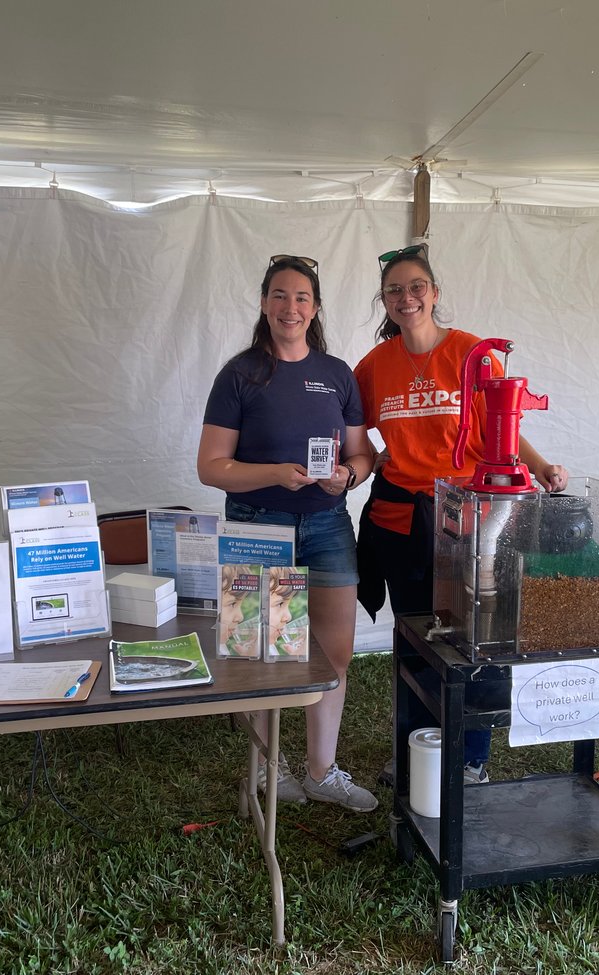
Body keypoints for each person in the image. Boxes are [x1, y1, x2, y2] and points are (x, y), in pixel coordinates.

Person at [353, 244, 569, 784]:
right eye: (395, 290)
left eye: (416, 287)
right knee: (416, 637)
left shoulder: (474, 354)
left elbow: (503, 425)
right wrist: (368, 459)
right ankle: (414, 753)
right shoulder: (373, 367)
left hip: (468, 519)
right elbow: (352, 431)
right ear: (384, 300)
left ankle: (469, 760)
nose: (406, 298)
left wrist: (539, 465)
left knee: (471, 639)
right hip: (401, 518)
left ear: (435, 293)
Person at [198, 254, 378, 812]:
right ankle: (267, 772)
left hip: (327, 525)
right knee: (264, 654)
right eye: (279, 295)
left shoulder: (336, 374)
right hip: (259, 527)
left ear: (316, 307)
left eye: (301, 297)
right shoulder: (239, 375)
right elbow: (211, 466)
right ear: (263, 303)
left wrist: (349, 476)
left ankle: (322, 772)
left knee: (335, 653)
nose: (290, 307)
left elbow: (361, 454)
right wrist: (276, 475)